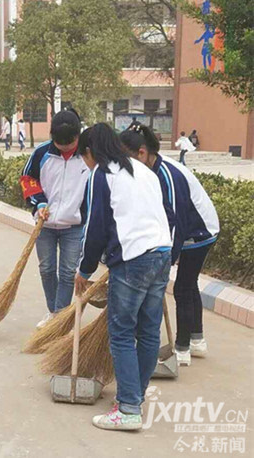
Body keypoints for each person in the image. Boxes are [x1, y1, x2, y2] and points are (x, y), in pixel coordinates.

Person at [75, 123, 172, 431]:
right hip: (162, 253)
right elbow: (165, 212)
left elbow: (96, 228)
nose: (86, 164)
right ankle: (134, 397)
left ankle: (129, 409)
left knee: (121, 332)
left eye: (84, 158)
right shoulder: (144, 171)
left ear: (90, 153)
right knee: (147, 332)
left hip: (134, 260)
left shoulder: (102, 175)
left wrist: (84, 270)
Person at [120, 125, 220, 367]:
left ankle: (183, 347)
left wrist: (166, 261)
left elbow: (174, 222)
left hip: (198, 233)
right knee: (189, 285)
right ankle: (197, 341)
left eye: (126, 158)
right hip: (188, 232)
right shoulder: (152, 170)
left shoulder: (166, 174)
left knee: (183, 289)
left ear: (142, 153)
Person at [20, 110, 89, 328]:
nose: (65, 148)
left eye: (70, 144)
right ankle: (54, 311)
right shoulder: (42, 153)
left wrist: (86, 214)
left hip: (74, 226)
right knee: (47, 269)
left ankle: (60, 317)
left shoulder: (88, 155)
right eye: (60, 144)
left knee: (69, 272)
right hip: (45, 225)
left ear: (78, 136)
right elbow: (27, 179)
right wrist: (38, 202)